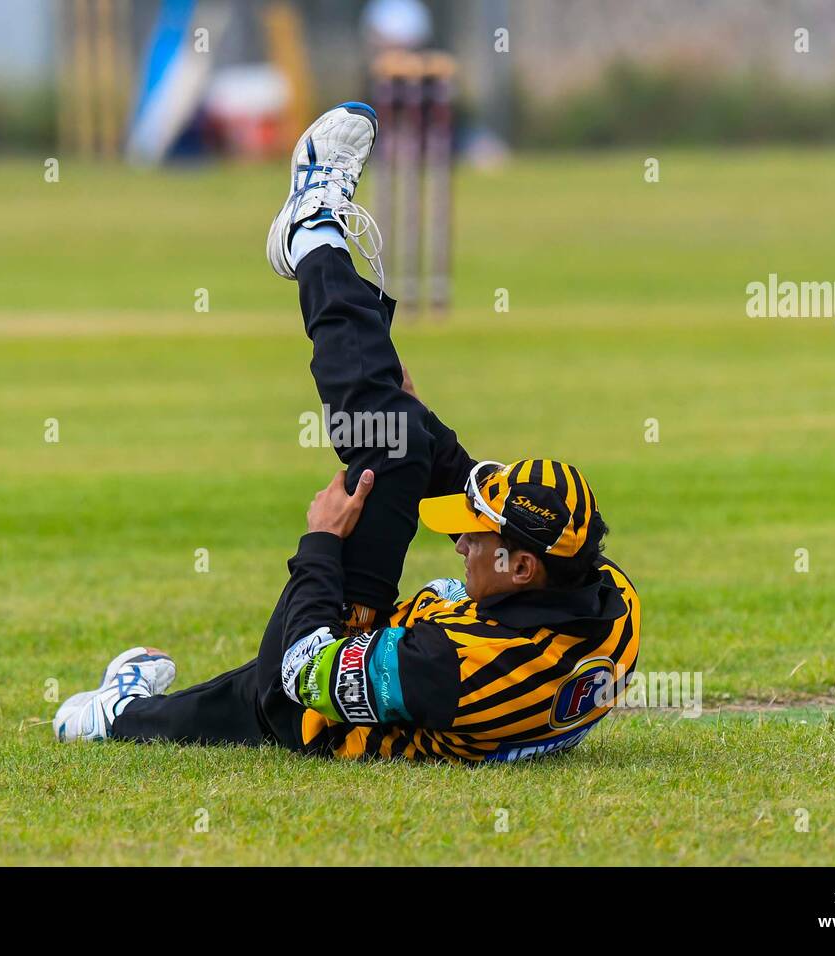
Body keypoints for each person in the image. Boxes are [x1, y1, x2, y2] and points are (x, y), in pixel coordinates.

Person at [53, 103, 640, 762]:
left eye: (474, 536)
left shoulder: (450, 669)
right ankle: (116, 714)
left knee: (384, 437)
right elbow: (487, 515)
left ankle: (312, 233)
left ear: (524, 566)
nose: (457, 542)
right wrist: (425, 431)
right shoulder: (612, 605)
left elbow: (302, 675)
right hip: (413, 649)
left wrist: (321, 545)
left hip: (307, 703)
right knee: (398, 428)